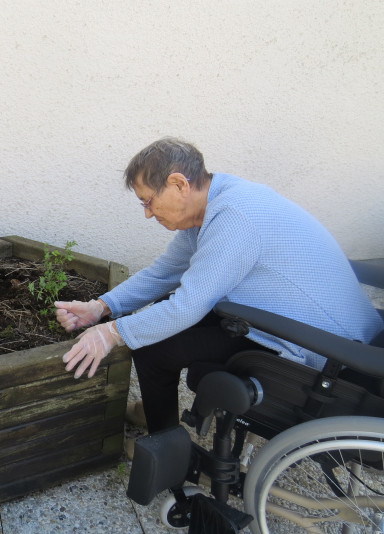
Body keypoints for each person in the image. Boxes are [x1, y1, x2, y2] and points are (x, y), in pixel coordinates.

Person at [55, 137, 383, 434]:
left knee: (153, 347)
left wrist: (111, 333)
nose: (147, 214)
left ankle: (165, 443)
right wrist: (101, 307)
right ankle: (159, 413)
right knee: (159, 318)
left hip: (327, 349)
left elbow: (187, 307)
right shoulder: (215, 205)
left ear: (178, 184)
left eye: (148, 201)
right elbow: (164, 273)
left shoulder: (234, 216)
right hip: (293, 322)